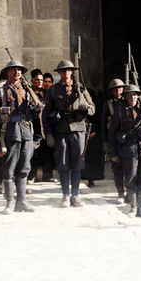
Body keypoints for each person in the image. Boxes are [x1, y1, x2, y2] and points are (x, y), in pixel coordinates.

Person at [0, 60, 43, 214]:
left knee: (25, 168)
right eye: (13, 70)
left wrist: (34, 97)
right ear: (7, 72)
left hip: (26, 133)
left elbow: (37, 111)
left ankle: (22, 202)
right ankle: (10, 202)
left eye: (19, 70)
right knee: (9, 169)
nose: (17, 72)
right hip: (8, 133)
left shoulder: (27, 90)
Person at [42, 60, 95, 207]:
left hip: (78, 130)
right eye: (63, 71)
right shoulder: (53, 90)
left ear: (73, 72)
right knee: (63, 164)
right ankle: (65, 195)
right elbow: (45, 114)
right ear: (59, 73)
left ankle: (75, 196)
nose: (66, 74)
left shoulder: (81, 89)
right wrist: (49, 134)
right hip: (61, 131)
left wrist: (85, 108)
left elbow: (92, 109)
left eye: (69, 71)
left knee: (77, 163)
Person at [107, 84, 141, 218]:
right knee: (130, 179)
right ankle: (133, 207)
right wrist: (112, 151)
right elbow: (112, 132)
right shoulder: (119, 111)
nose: (132, 98)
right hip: (128, 149)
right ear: (125, 97)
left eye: (135, 95)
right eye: (130, 95)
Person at [101, 78, 126, 203]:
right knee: (117, 167)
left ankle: (130, 191)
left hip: (127, 140)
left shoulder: (129, 102)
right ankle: (120, 192)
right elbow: (103, 124)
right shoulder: (108, 105)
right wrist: (106, 143)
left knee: (130, 167)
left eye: (120, 88)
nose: (118, 91)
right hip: (114, 140)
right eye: (115, 89)